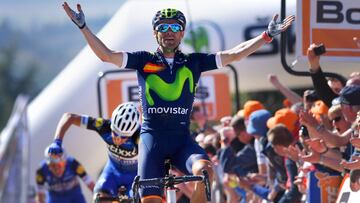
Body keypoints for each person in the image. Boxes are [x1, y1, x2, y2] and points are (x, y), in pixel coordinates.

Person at [62, 2, 294, 202]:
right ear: (155, 33)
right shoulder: (144, 60)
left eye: (175, 27)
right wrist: (84, 27)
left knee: (205, 173)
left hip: (182, 140)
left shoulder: (194, 62)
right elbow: (106, 55)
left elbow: (234, 54)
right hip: (152, 140)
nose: (169, 31)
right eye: (163, 27)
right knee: (151, 199)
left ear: (182, 33)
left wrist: (266, 36)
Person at [47, 102, 141, 202]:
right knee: (99, 198)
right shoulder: (104, 126)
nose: (118, 139)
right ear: (112, 125)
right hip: (112, 173)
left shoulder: (140, 137)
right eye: (115, 132)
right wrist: (57, 141)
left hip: (134, 176)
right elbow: (69, 117)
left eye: (123, 137)